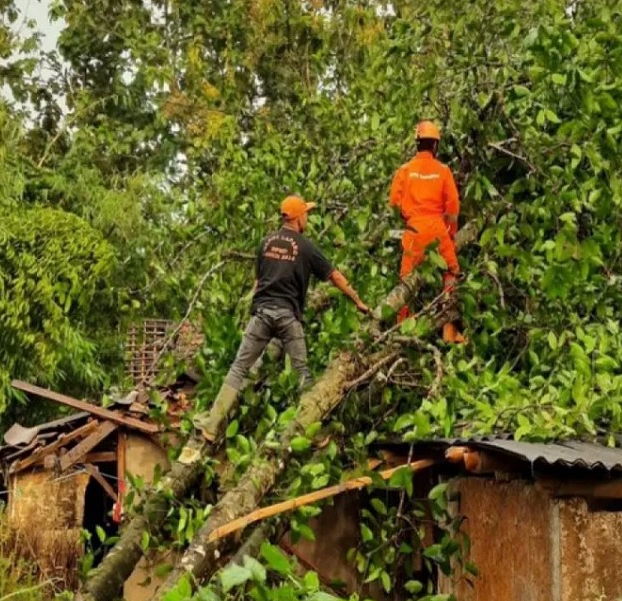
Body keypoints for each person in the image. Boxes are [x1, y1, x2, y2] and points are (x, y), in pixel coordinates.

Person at [193, 194, 370, 442]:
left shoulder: (265, 243)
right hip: (288, 318)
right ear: (298, 218)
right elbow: (335, 276)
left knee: (238, 368)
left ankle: (211, 427)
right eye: (306, 213)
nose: (308, 217)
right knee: (302, 373)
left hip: (262, 314)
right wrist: (358, 301)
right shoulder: (306, 247)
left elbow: (258, 282)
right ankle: (314, 433)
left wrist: (251, 311)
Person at [388, 120, 465, 344]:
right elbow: (452, 208)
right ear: (435, 146)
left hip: (414, 230)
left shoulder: (404, 171)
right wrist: (450, 233)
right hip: (437, 228)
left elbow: (394, 204)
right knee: (451, 272)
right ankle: (449, 331)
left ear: (417, 144)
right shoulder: (443, 171)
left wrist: (408, 217)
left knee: (406, 282)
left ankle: (404, 330)